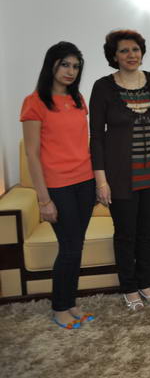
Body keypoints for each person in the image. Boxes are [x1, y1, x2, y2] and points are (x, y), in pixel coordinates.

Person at [90, 29, 150, 311]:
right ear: (114, 56)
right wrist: (101, 180)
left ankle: (145, 282)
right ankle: (128, 286)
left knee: (148, 233)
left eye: (135, 49)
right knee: (126, 233)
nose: (131, 55)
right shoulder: (103, 87)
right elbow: (96, 137)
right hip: (121, 177)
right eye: (124, 50)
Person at [21, 42, 95, 329]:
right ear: (51, 64)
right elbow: (32, 154)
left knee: (77, 245)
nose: (70, 71)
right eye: (65, 64)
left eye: (75, 66)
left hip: (85, 182)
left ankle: (71, 301)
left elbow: (81, 143)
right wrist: (44, 199)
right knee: (69, 248)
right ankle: (60, 307)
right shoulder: (35, 102)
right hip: (58, 186)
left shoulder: (78, 100)